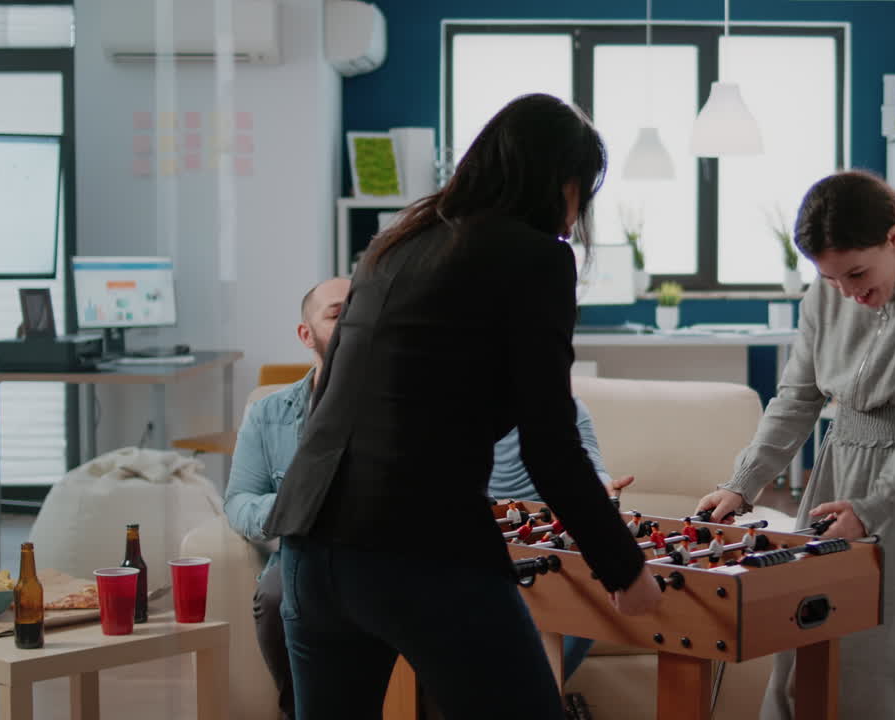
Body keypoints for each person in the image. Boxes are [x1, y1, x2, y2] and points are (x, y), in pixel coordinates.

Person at [262, 93, 661, 720]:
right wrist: (623, 567)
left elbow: (331, 401)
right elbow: (550, 444)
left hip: (309, 545)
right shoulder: (537, 258)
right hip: (417, 548)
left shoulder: (395, 243)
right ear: (563, 182)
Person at [695, 170, 895, 719]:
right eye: (832, 280)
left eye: (857, 273)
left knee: (893, 655)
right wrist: (742, 482)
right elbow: (797, 399)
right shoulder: (823, 299)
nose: (849, 293)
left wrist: (872, 508)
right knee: (806, 639)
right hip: (833, 481)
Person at [223, 276, 349, 720]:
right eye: (336, 314)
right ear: (305, 334)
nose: (352, 321)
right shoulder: (269, 413)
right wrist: (295, 507)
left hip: (386, 553)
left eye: (361, 311)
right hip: (304, 552)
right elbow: (238, 501)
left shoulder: (405, 401)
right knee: (277, 597)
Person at [488, 404, 633, 680]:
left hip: (550, 536)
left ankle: (535, 698)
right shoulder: (464, 406)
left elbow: (589, 462)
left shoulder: (570, 408)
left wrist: (600, 487)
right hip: (484, 535)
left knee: (594, 594)